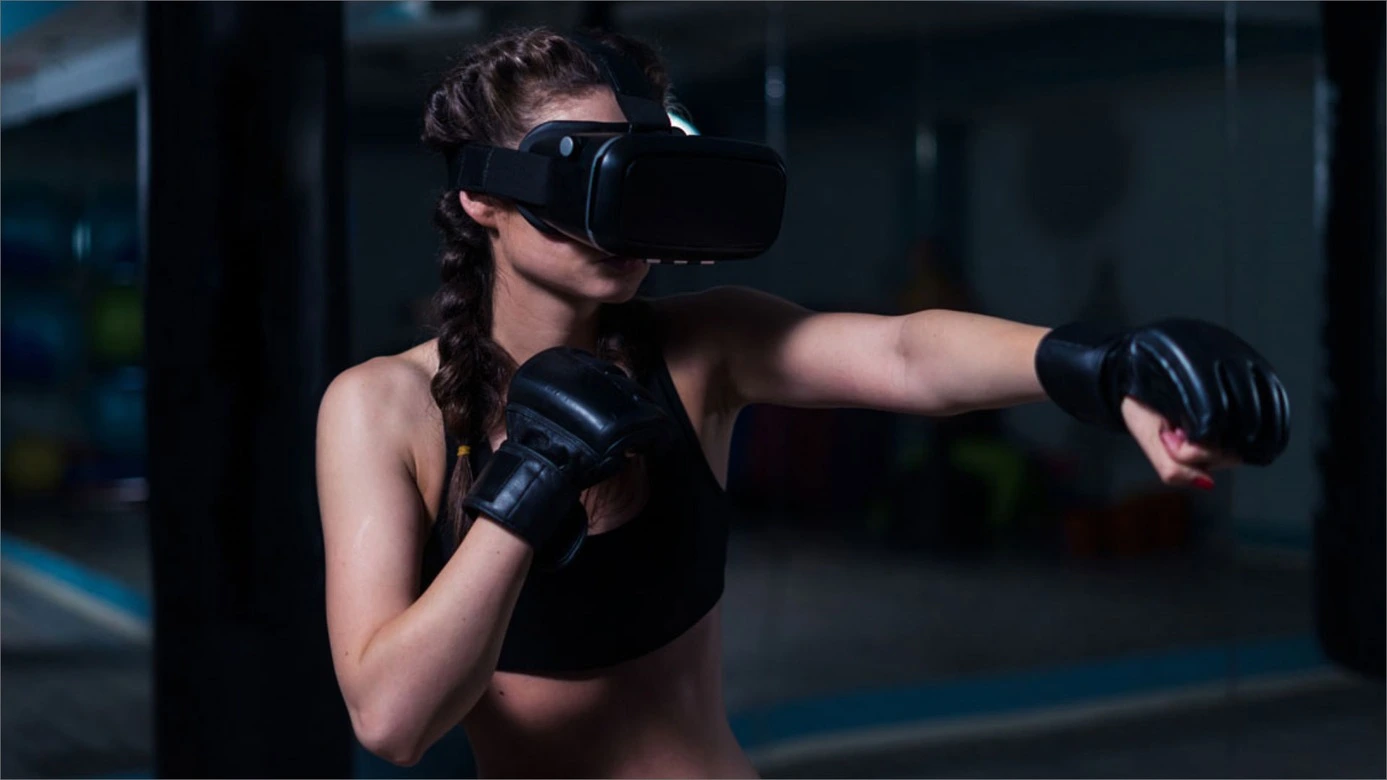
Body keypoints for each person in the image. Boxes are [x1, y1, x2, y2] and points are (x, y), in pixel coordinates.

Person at [315, 28, 1289, 778]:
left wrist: (1104, 366)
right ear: (484, 197)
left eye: (643, 177)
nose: (624, 221)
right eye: (582, 175)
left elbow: (906, 352)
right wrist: (527, 488)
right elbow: (392, 721)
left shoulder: (702, 350)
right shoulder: (384, 409)